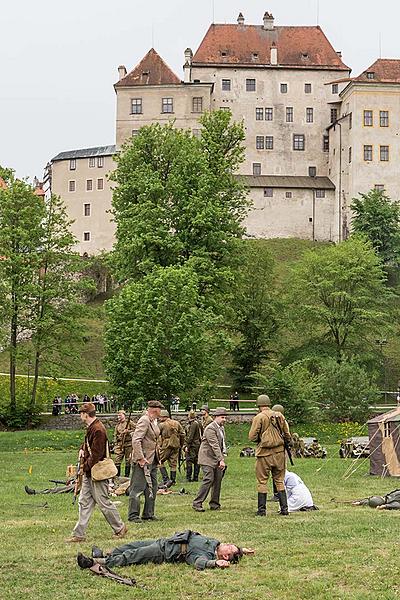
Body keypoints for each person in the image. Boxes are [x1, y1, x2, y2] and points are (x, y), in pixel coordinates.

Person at [65, 402, 127, 543]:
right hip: (90, 473)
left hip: (97, 472)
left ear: (85, 414)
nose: (80, 415)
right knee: (84, 502)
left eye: (81, 413)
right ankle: (79, 534)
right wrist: (82, 449)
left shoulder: (98, 429)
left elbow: (97, 454)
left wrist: (84, 467)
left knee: (103, 502)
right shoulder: (92, 427)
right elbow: (89, 445)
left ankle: (120, 528)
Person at [77, 530, 254, 571]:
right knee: (129, 546)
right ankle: (105, 554)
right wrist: (242, 550)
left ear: (225, 555)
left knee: (133, 555)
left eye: (230, 548)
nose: (228, 544)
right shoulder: (215, 544)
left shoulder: (205, 555)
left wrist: (214, 563)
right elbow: (234, 550)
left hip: (165, 552)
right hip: (164, 541)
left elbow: (199, 563)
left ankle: (96, 563)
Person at [248, 394, 291, 517]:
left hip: (264, 454)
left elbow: (251, 437)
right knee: (279, 480)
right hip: (279, 453)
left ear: (259, 405)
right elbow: (287, 434)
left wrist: (260, 439)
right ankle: (284, 509)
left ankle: (262, 510)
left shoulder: (259, 417)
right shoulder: (280, 415)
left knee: (262, 481)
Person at [128, 400, 163, 522]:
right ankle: (133, 515)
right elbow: (136, 440)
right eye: (159, 409)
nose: (161, 411)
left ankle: (148, 514)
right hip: (143, 460)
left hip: (152, 459)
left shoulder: (153, 421)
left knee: (152, 487)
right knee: (137, 488)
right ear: (155, 409)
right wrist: (140, 458)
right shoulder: (144, 420)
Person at [192, 407, 228, 512]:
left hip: (216, 458)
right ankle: (197, 503)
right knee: (208, 479)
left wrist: (223, 455)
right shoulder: (210, 428)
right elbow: (214, 445)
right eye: (222, 417)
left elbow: (222, 444)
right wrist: (221, 459)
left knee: (218, 480)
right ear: (215, 417)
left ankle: (214, 504)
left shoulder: (221, 428)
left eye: (225, 417)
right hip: (207, 458)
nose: (224, 419)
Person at [158, 409, 185, 487]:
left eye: (160, 417)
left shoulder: (162, 425)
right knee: (173, 464)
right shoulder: (177, 423)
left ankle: (166, 479)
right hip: (176, 445)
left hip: (166, 445)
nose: (159, 419)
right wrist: (181, 444)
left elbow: (156, 434)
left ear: (164, 417)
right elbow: (182, 434)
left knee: (159, 461)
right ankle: (173, 481)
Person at [113, 410, 135, 478]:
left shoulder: (129, 423)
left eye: (120, 415)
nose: (119, 417)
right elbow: (115, 434)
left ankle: (126, 476)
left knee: (128, 460)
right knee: (117, 460)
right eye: (118, 415)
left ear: (124, 415)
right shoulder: (118, 425)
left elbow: (136, 429)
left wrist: (128, 431)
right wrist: (116, 440)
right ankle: (117, 476)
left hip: (128, 444)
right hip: (120, 444)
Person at [185, 410, 201, 482]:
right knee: (197, 461)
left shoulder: (193, 424)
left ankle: (189, 477)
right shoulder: (199, 423)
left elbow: (190, 436)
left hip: (193, 445)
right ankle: (196, 477)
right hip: (198, 444)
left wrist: (186, 446)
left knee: (189, 460)